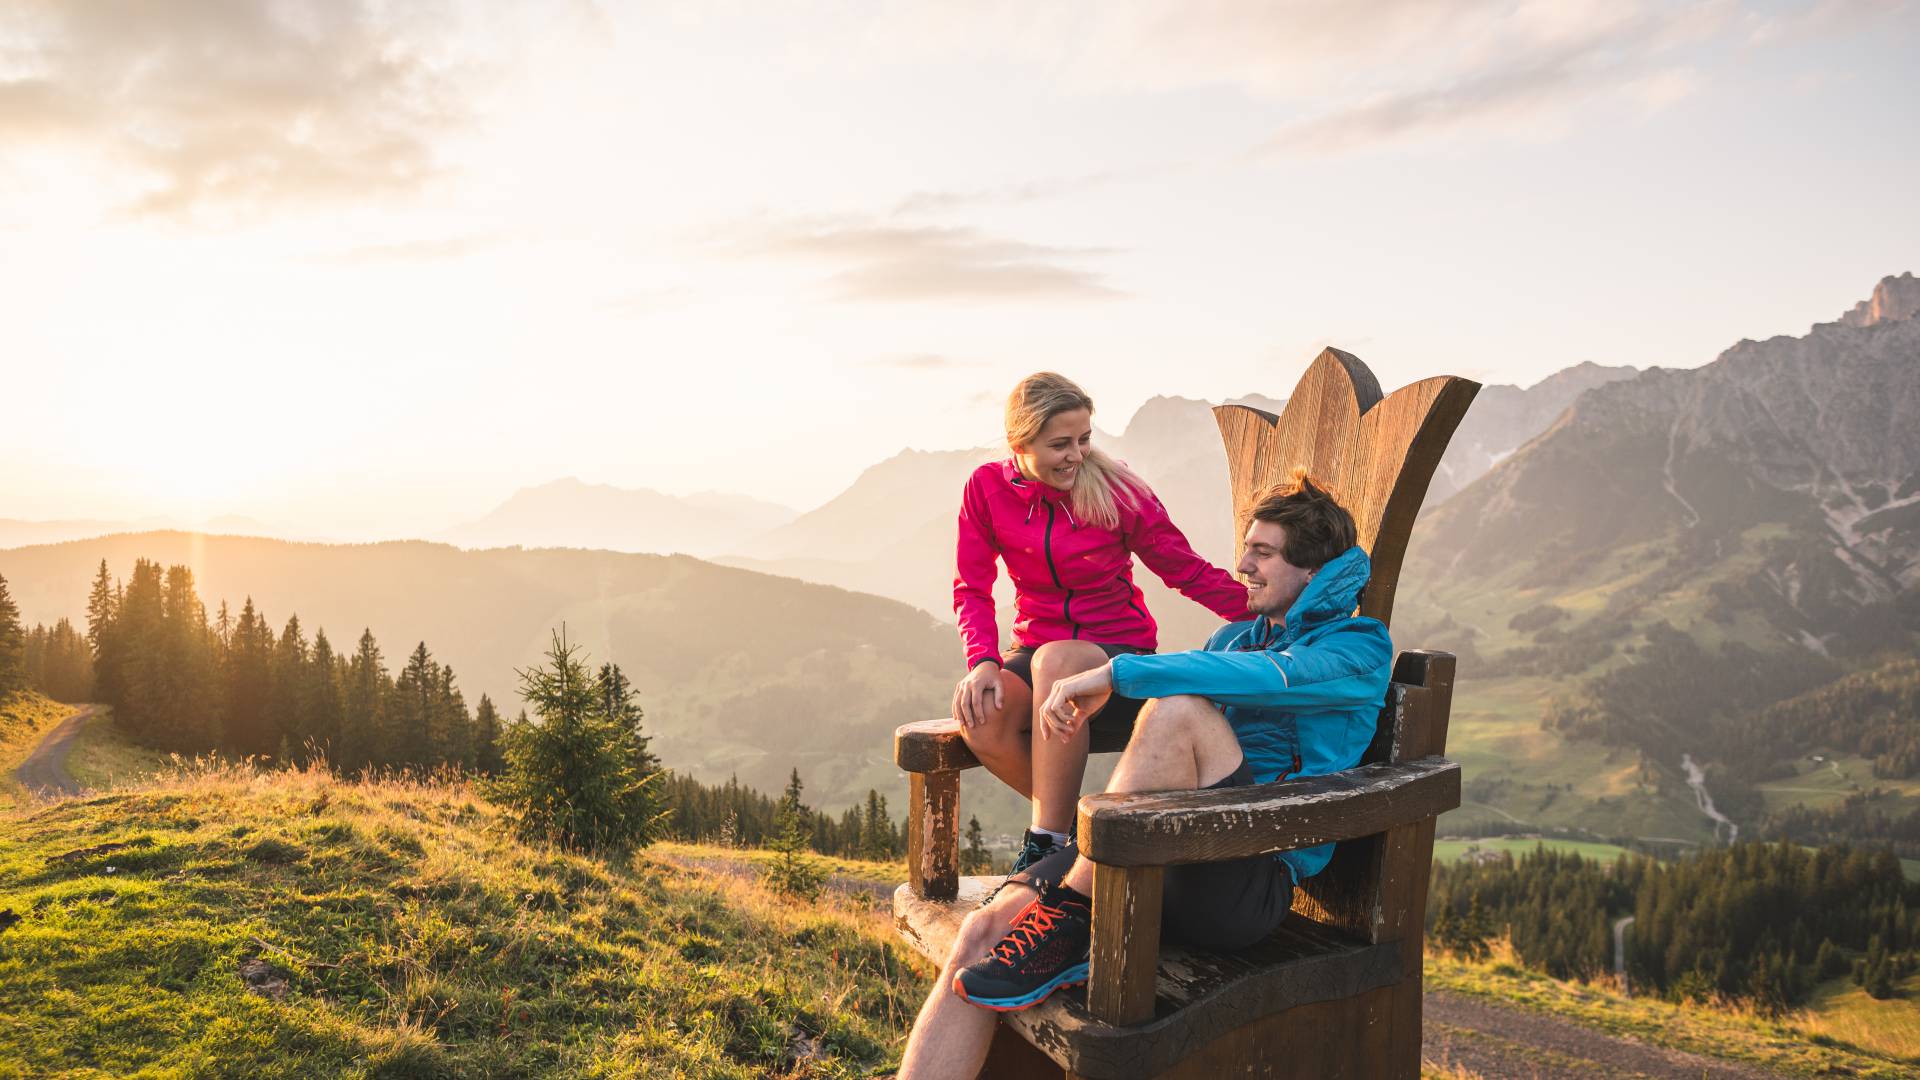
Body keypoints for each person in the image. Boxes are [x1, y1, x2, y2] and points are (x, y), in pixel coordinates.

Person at [899, 473, 1392, 1078]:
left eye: (1262, 553)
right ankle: (1070, 913)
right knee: (982, 934)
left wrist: (1112, 675)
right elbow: (1214, 682)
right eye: (1246, 548)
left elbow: (1271, 677)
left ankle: (1073, 910)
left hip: (1244, 876)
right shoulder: (1235, 637)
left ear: (1312, 570)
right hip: (1155, 853)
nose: (1242, 565)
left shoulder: (1360, 648)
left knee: (1179, 708)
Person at [951, 373, 1248, 871]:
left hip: (1117, 657)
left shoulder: (1117, 487)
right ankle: (1074, 835)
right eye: (1060, 444)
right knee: (981, 715)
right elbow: (972, 587)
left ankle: (1043, 846)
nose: (1077, 455)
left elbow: (1185, 569)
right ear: (1018, 443)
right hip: (1035, 648)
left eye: (1084, 439)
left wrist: (1276, 614)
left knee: (1059, 659)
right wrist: (982, 661)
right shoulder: (986, 489)